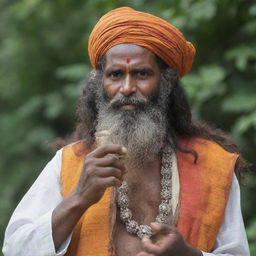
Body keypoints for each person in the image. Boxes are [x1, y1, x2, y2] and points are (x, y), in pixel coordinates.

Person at [2, 7, 250, 256]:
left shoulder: (213, 166)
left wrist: (188, 255)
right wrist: (79, 197)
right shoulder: (69, 165)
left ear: (166, 83)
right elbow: (15, 249)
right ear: (101, 84)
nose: (128, 87)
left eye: (141, 74)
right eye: (116, 75)